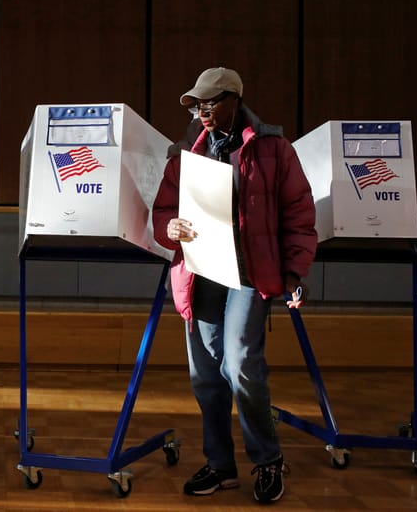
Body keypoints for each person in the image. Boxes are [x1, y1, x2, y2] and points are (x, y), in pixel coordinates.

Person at [152, 67, 317, 504]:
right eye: (197, 105)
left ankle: (267, 459)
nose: (202, 112)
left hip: (249, 276)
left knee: (241, 363)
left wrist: (294, 274)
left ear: (234, 101)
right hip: (201, 272)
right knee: (205, 374)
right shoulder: (187, 151)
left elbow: (299, 212)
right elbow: (163, 210)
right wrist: (171, 228)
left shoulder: (273, 149)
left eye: (210, 103)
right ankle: (221, 466)